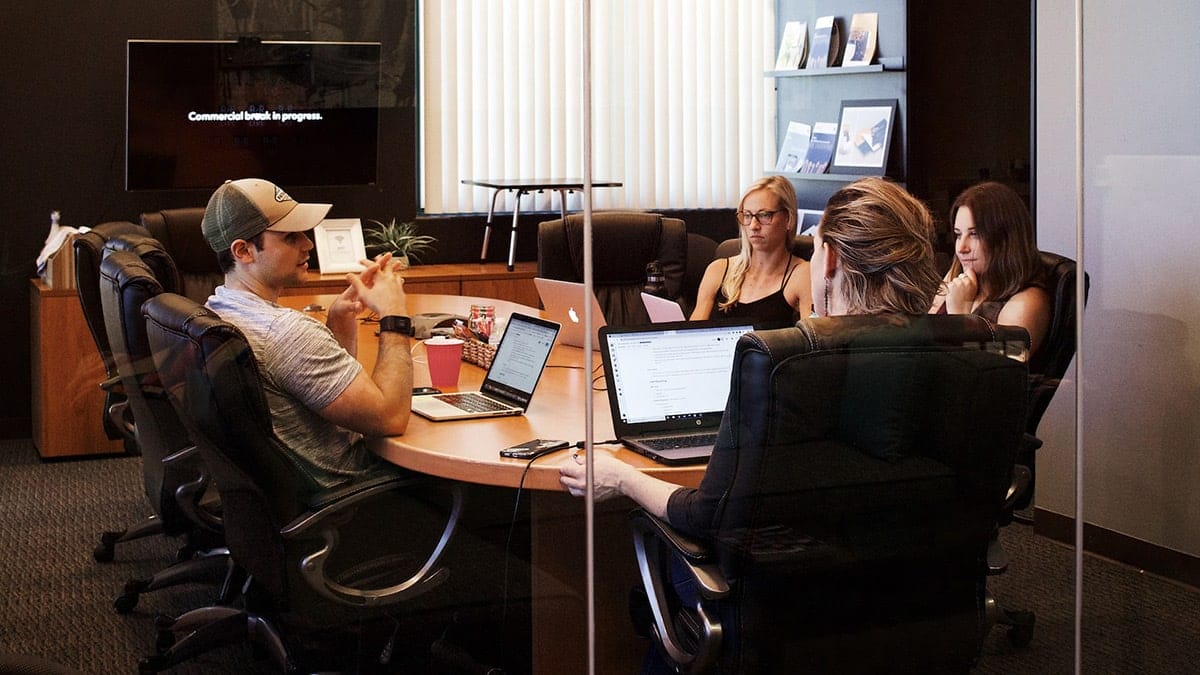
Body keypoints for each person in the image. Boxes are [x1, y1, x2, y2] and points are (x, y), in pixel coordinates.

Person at [560, 176, 940, 531]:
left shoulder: (784, 371)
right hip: (928, 586)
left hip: (787, 585)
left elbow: (705, 513)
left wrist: (622, 477)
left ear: (831, 260)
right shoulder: (968, 353)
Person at [202, 178, 414, 489]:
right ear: (244, 251)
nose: (308, 244)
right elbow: (390, 418)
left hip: (287, 495)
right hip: (357, 495)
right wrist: (394, 315)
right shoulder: (286, 333)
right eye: (290, 237)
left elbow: (320, 389)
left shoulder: (217, 307)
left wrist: (339, 319)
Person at [928, 181, 1051, 356]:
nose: (961, 248)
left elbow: (997, 370)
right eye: (958, 235)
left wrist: (960, 317)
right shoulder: (959, 277)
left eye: (974, 234)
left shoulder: (1028, 301)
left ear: (1004, 238)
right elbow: (924, 343)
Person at [690, 176, 812, 325]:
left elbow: (814, 341)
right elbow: (691, 336)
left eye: (764, 215)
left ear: (789, 219)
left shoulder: (803, 274)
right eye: (747, 215)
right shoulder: (718, 270)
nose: (754, 225)